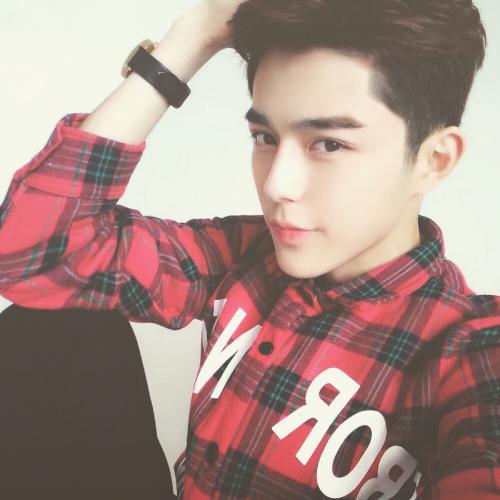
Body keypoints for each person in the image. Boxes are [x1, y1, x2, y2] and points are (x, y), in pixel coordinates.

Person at [0, 0, 498, 498]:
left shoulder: (470, 350)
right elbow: (38, 254)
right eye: (264, 137)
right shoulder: (246, 255)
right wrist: (194, 35)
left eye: (328, 144)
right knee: (54, 324)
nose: (277, 184)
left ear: (434, 160)